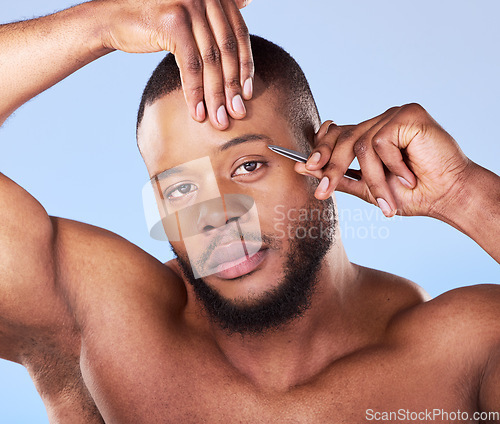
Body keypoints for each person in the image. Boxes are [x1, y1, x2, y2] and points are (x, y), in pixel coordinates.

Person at [0, 1, 499, 423]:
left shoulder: (460, 354)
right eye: (179, 190)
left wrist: (467, 196)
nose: (214, 215)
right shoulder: (106, 325)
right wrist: (101, 23)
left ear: (323, 158)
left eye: (248, 165)